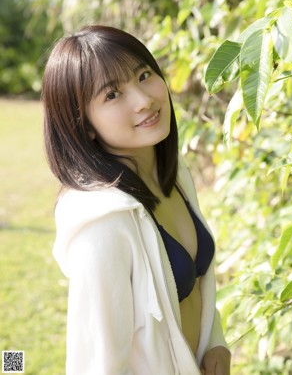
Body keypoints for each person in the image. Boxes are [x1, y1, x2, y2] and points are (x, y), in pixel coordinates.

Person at [42, 25, 231, 375]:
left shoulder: (174, 176)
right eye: (112, 95)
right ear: (84, 126)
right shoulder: (104, 223)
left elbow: (192, 290)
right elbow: (96, 363)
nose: (143, 100)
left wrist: (215, 342)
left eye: (144, 75)